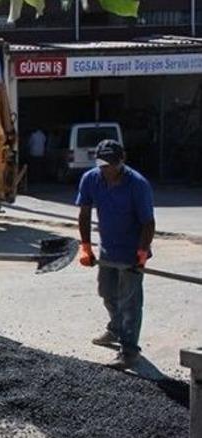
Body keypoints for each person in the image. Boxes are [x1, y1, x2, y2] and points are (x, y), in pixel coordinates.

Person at [76, 139, 155, 369]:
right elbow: (84, 213)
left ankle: (129, 351)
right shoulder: (91, 179)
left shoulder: (137, 184)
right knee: (107, 292)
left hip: (133, 251)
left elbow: (148, 223)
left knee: (130, 301)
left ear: (122, 160)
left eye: (111, 164)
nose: (107, 169)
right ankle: (116, 328)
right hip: (108, 249)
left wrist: (142, 253)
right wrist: (86, 246)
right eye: (103, 164)